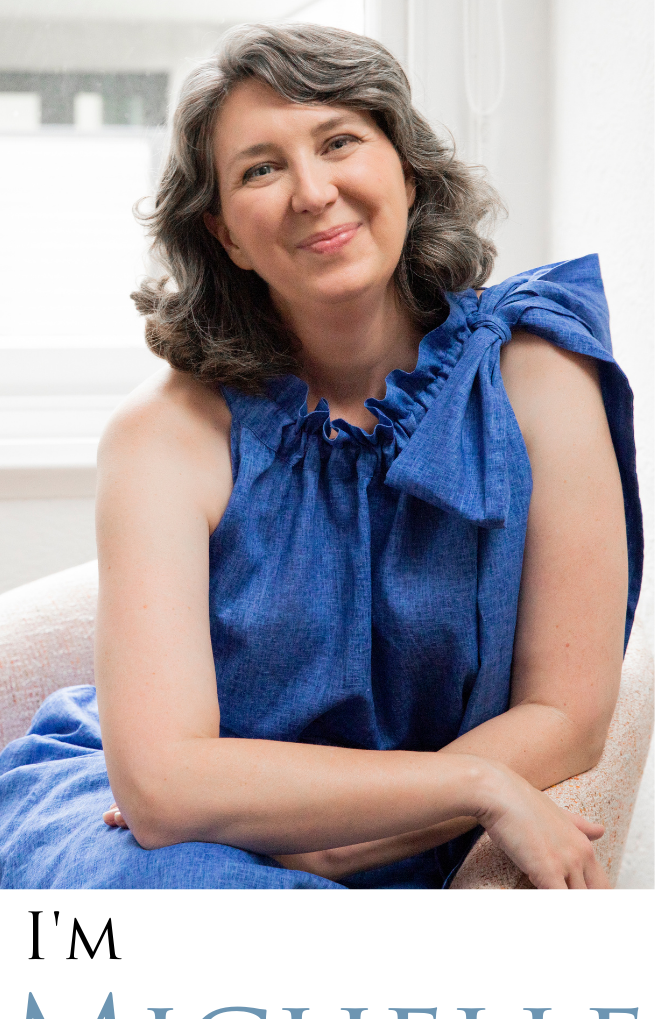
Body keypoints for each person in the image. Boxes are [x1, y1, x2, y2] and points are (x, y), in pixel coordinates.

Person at [0, 24, 642, 891]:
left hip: (282, 827)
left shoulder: (539, 373)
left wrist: (334, 841)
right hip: (165, 843)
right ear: (225, 234)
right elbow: (161, 794)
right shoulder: (164, 434)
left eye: (339, 142)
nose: (311, 192)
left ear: (405, 173)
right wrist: (476, 785)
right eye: (259, 169)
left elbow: (567, 716)